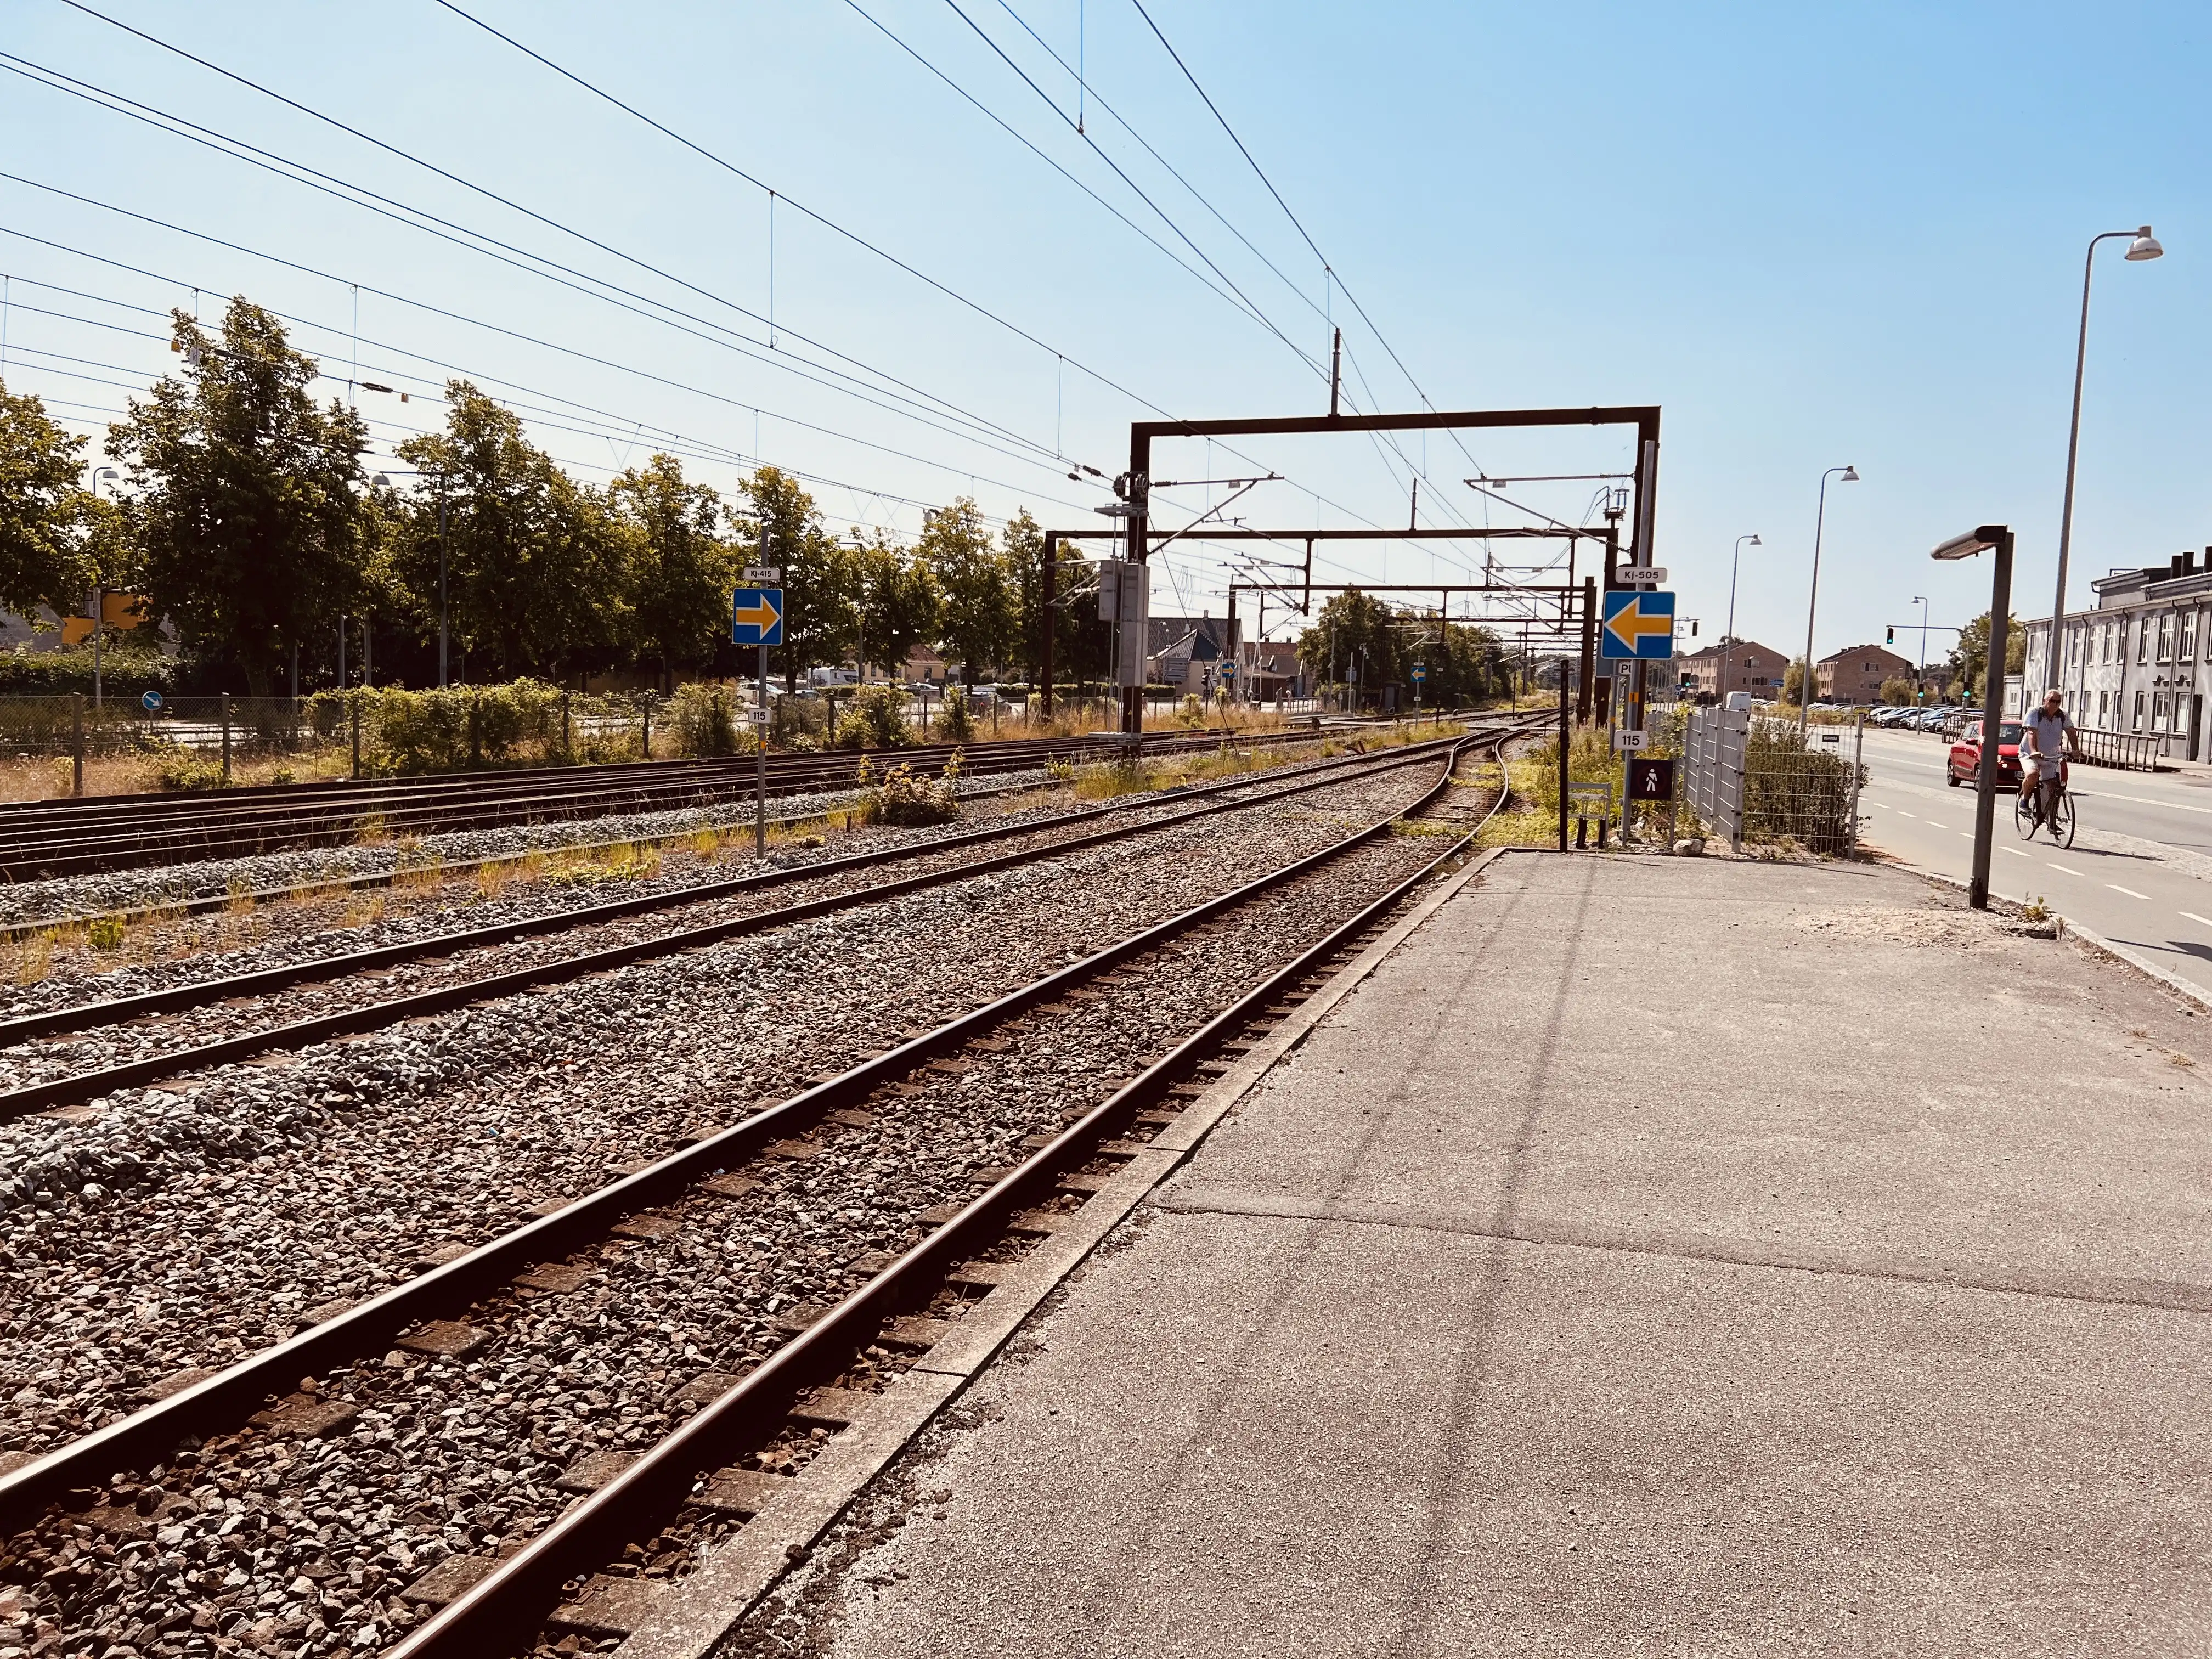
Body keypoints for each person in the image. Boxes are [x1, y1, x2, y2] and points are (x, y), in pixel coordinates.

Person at [2018, 687, 2075, 832]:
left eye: (2058, 702)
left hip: (2051, 757)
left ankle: (2050, 821)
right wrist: (2034, 751)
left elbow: (2071, 732)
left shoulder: (2062, 716)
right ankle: (2024, 800)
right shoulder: (2035, 713)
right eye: (2052, 701)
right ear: (2045, 701)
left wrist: (2076, 750)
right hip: (2029, 754)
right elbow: (2031, 732)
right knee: (2033, 774)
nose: (2055, 704)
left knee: (2053, 788)